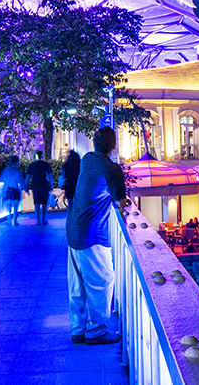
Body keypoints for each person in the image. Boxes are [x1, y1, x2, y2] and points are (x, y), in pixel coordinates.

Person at [66, 127, 127, 345]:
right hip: (92, 233)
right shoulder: (111, 168)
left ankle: (78, 330)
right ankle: (97, 331)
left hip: (73, 227)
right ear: (114, 145)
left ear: (93, 144)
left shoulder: (87, 159)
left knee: (77, 283)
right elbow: (120, 201)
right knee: (102, 279)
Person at [26, 155, 54, 226]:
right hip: (44, 186)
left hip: (35, 186)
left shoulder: (33, 165)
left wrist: (26, 185)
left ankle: (38, 220)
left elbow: (28, 176)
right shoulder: (45, 164)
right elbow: (50, 175)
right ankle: (44, 219)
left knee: (37, 204)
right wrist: (51, 184)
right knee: (44, 204)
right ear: (42, 156)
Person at [0, 155, 25, 225]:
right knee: (15, 206)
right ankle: (15, 221)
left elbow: (3, 180)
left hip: (8, 189)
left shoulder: (6, 170)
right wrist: (25, 188)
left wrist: (3, 192)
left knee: (8, 206)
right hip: (15, 189)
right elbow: (20, 181)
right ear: (16, 162)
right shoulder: (18, 171)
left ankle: (8, 220)